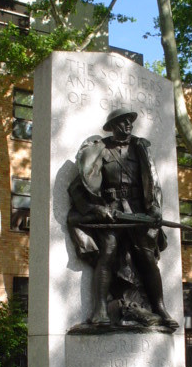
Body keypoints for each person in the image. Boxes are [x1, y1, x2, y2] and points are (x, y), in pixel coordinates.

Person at [67, 108, 178, 330]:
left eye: (130, 122)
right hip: (111, 208)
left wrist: (155, 209)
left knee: (147, 258)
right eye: (123, 122)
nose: (128, 125)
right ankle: (99, 310)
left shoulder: (140, 149)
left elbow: (152, 181)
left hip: (137, 210)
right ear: (113, 125)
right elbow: (80, 186)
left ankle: (160, 308)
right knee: (107, 253)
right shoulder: (101, 149)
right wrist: (96, 207)